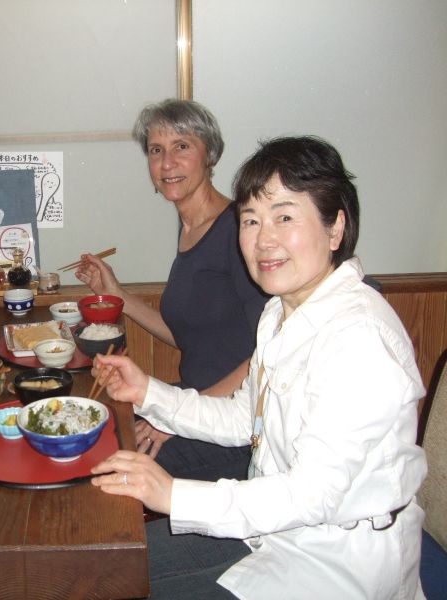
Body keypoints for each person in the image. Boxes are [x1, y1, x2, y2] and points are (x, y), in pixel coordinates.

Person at [89, 136, 427, 598]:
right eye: (250, 220)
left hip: (338, 563)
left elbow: (313, 495)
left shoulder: (360, 339)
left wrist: (171, 494)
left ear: (335, 229)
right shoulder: (281, 311)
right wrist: (149, 392)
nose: (263, 239)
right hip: (275, 536)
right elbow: (245, 417)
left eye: (285, 217)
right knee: (108, 565)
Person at [75, 99, 268, 481]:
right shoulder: (190, 229)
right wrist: (118, 295)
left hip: (235, 428)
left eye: (182, 146)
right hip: (193, 401)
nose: (166, 164)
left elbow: (269, 355)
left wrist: (176, 421)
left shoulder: (239, 231)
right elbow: (186, 336)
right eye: (156, 151)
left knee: (104, 469)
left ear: (209, 154)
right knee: (94, 422)